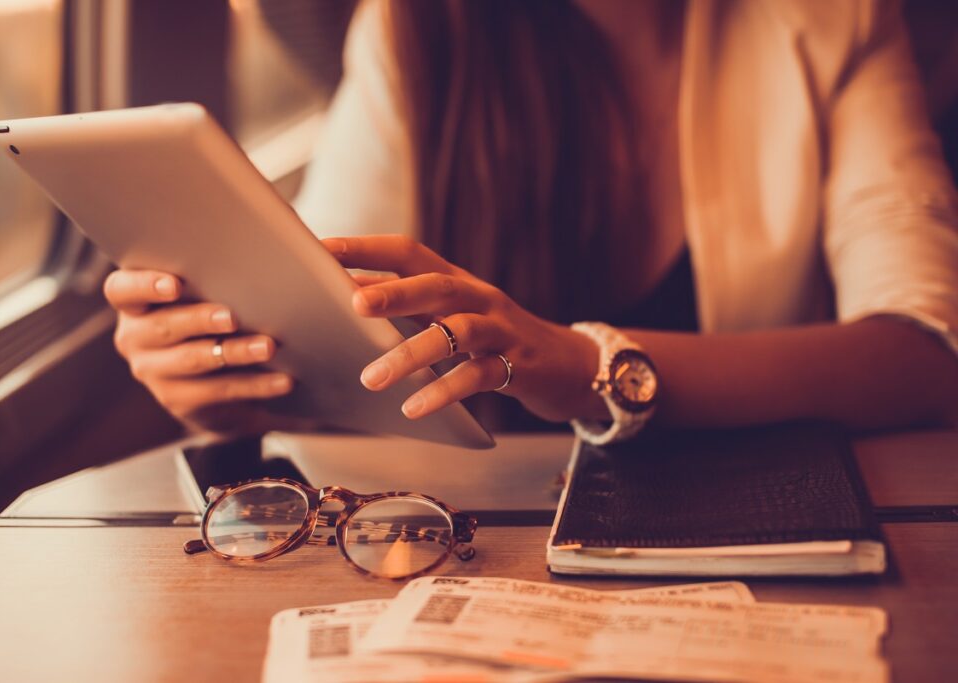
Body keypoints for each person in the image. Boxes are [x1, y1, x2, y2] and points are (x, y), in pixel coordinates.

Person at [104, 0, 958, 441]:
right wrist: (228, 381)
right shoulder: (416, 29)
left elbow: (926, 353)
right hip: (492, 539)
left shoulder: (836, 19)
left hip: (760, 522)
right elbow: (335, 323)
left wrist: (587, 364)